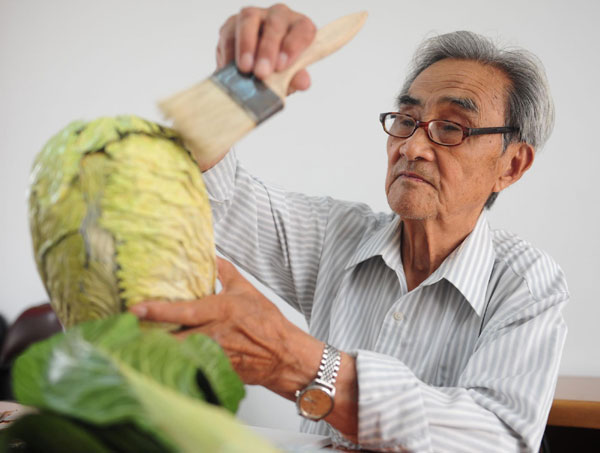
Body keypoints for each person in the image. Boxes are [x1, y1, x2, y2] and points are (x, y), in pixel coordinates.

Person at [131, 4, 569, 452]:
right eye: (405, 121)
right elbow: (203, 191)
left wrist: (299, 363)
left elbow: (497, 441)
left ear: (512, 165)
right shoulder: (338, 236)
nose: (412, 146)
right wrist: (238, 86)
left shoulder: (528, 283)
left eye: (452, 128)